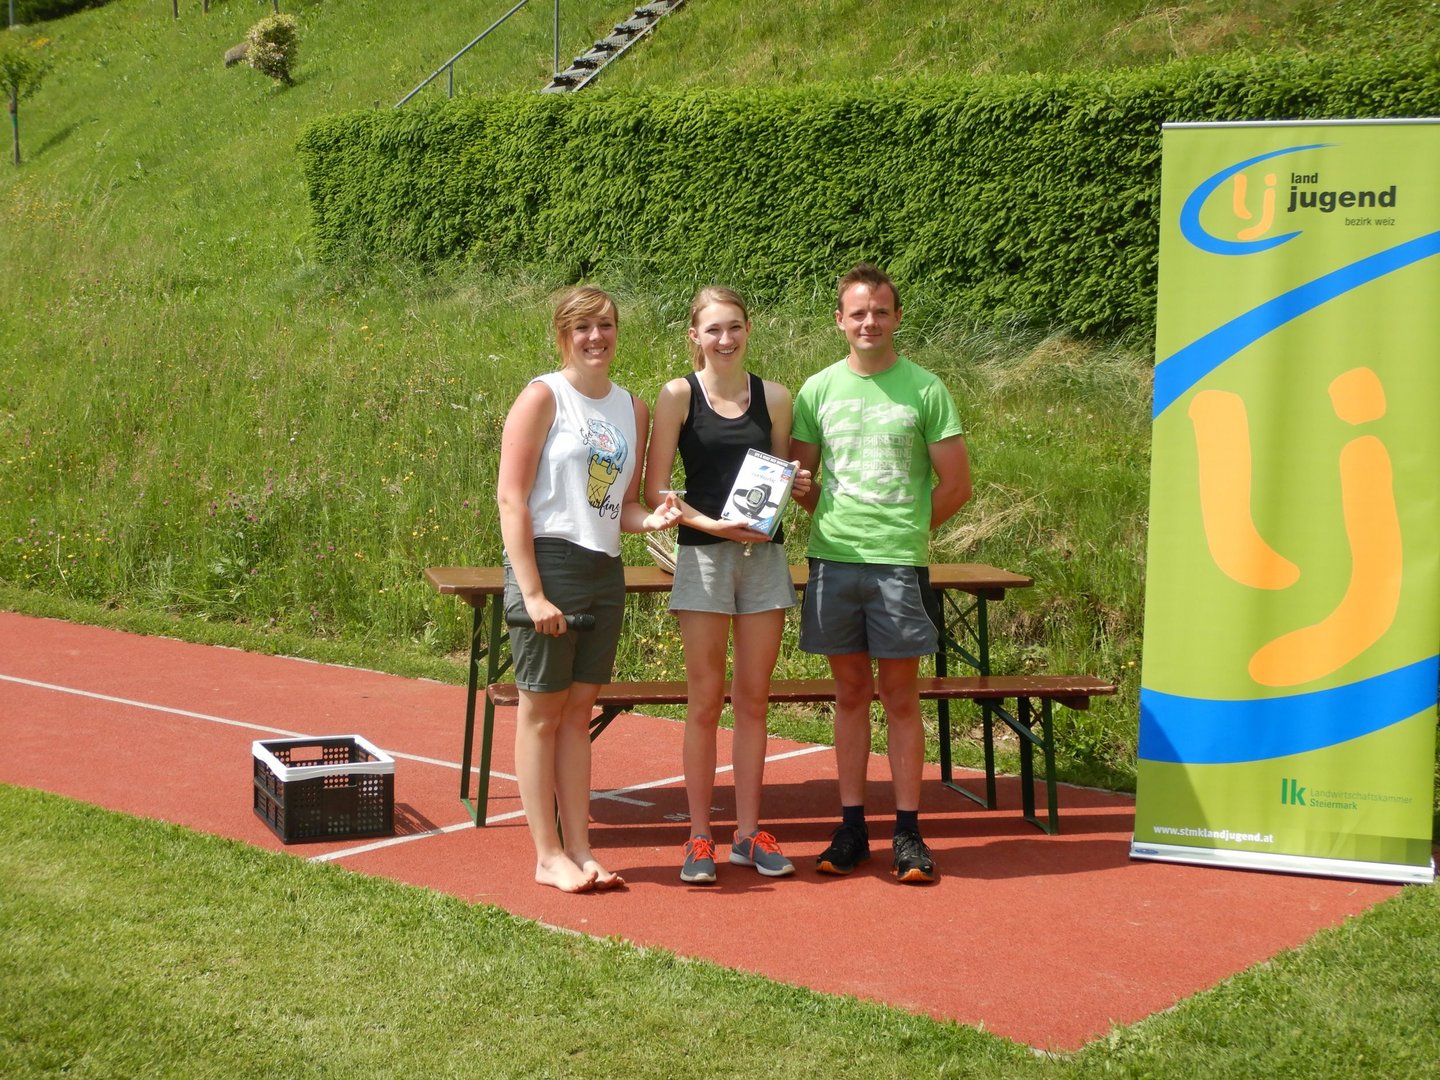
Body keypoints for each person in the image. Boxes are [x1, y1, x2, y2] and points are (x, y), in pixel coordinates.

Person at [789, 263, 972, 884]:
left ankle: (908, 832)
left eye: (881, 312)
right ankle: (851, 829)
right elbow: (800, 483)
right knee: (849, 695)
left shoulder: (926, 389)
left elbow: (957, 485)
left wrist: (907, 534)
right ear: (840, 320)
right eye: (858, 312)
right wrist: (831, 519)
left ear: (896, 318)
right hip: (833, 563)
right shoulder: (817, 390)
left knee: (899, 697)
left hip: (898, 566)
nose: (870, 322)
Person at [496, 285, 681, 893]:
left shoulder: (633, 407)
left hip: (605, 570)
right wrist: (532, 593)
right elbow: (511, 499)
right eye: (582, 327)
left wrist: (651, 520)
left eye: (605, 325)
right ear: (563, 335)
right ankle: (546, 856)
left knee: (577, 716)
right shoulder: (543, 396)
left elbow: (620, 507)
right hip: (550, 564)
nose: (596, 337)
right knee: (540, 714)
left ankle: (580, 850)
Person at [644, 286, 812, 885]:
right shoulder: (676, 396)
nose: (725, 339)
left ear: (748, 330)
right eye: (713, 329)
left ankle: (748, 834)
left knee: (754, 701)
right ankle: (698, 837)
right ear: (695, 335)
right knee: (704, 701)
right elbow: (656, 491)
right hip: (703, 557)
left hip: (764, 560)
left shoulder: (777, 397)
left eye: (734, 327)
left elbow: (781, 478)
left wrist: (795, 486)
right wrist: (712, 525)